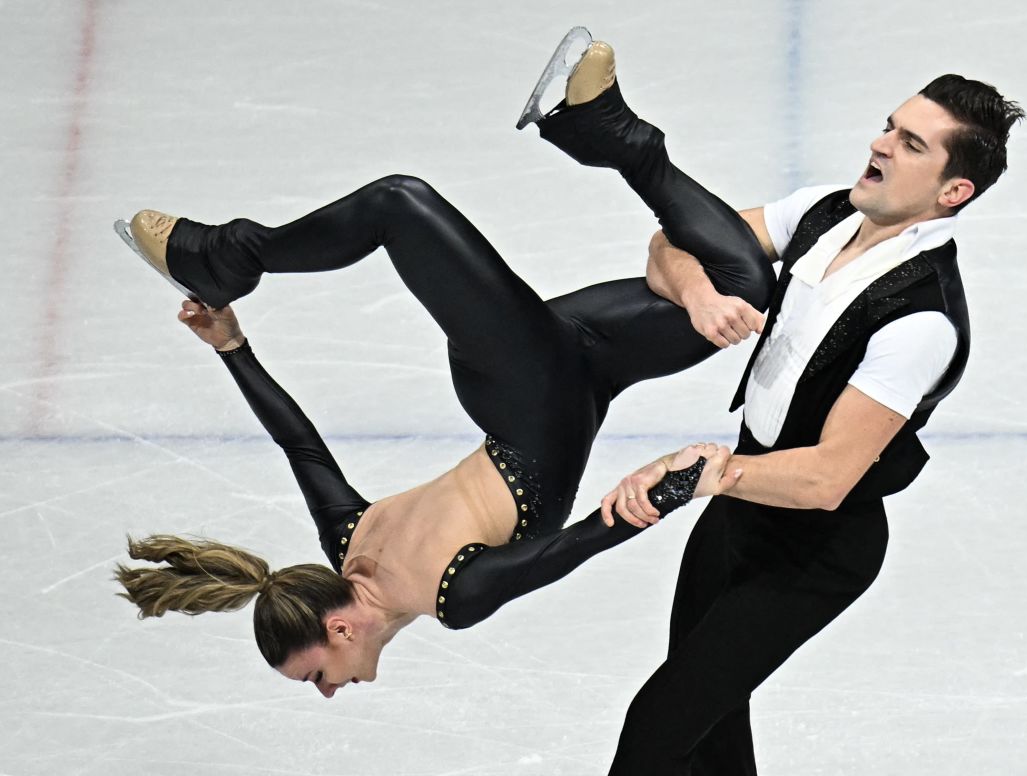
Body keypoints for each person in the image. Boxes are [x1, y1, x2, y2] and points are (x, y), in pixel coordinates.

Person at [113, 37, 776, 699]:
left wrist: (666, 495)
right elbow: (300, 443)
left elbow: (572, 545)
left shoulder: (446, 592)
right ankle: (599, 128)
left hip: (525, 391)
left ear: (340, 630)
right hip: (585, 374)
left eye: (315, 674)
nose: (326, 689)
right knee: (741, 287)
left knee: (399, 204)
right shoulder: (350, 540)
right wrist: (231, 346)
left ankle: (229, 256)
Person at [578, 73, 1025, 776]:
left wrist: (708, 473)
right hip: (738, 512)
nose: (879, 145)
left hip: (817, 547)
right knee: (713, 727)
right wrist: (697, 294)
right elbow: (672, 241)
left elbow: (825, 479)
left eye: (910, 144)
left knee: (660, 725)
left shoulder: (920, 318)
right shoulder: (822, 213)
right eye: (889, 125)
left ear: (953, 192)